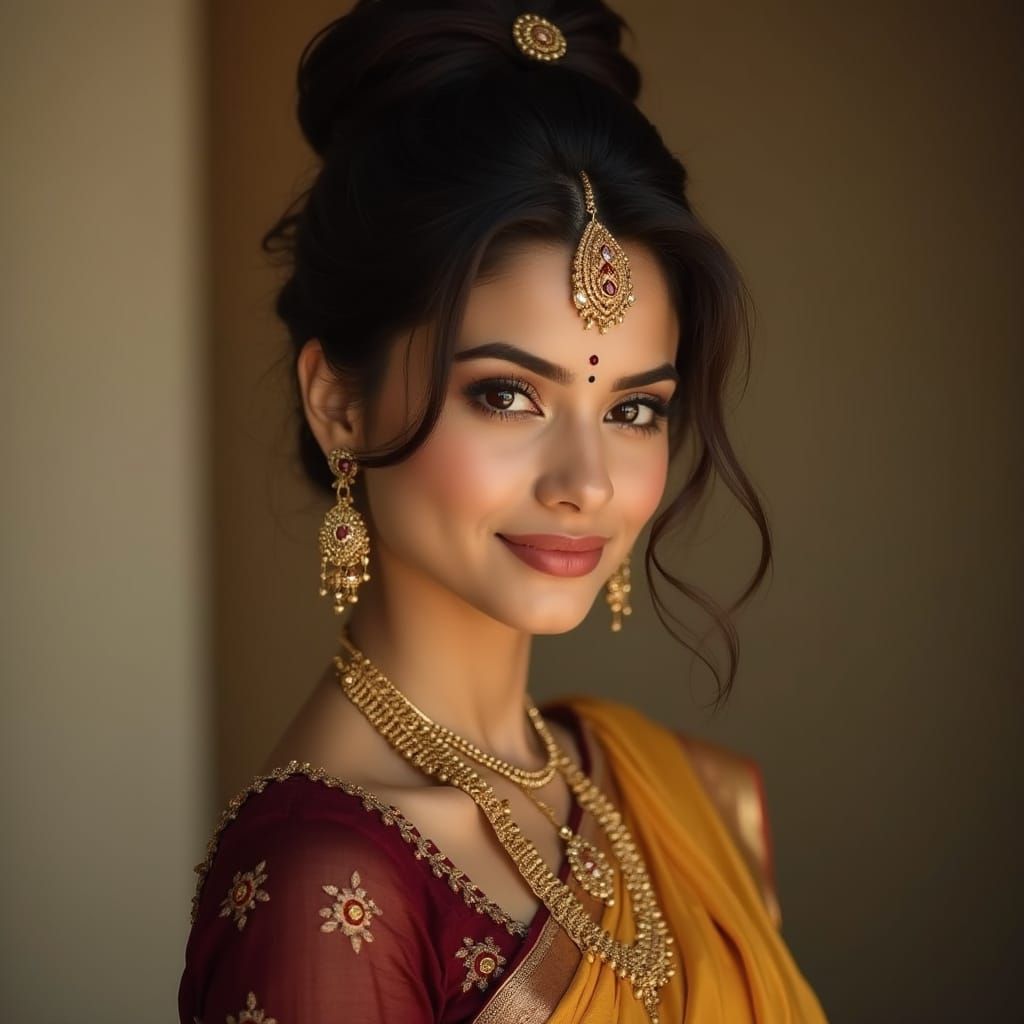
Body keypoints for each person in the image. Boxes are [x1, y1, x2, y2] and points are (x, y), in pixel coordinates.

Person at [178, 2, 828, 1021]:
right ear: (337, 402)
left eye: (633, 409)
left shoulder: (688, 797)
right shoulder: (328, 889)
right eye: (507, 394)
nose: (587, 480)